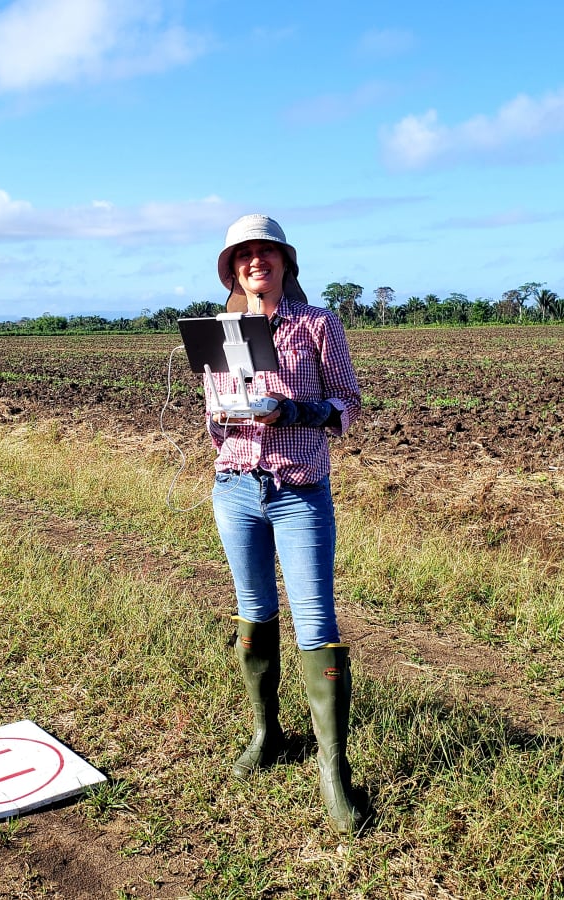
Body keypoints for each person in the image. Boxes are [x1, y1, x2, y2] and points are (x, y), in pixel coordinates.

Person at [205, 214, 365, 834]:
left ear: (284, 262)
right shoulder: (219, 333)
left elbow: (348, 406)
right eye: (243, 255)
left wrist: (291, 409)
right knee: (254, 610)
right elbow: (214, 418)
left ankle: (333, 771)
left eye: (264, 252)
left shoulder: (318, 324)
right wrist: (226, 413)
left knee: (317, 619)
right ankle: (266, 733)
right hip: (235, 487)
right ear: (232, 270)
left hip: (299, 491)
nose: (254, 263)